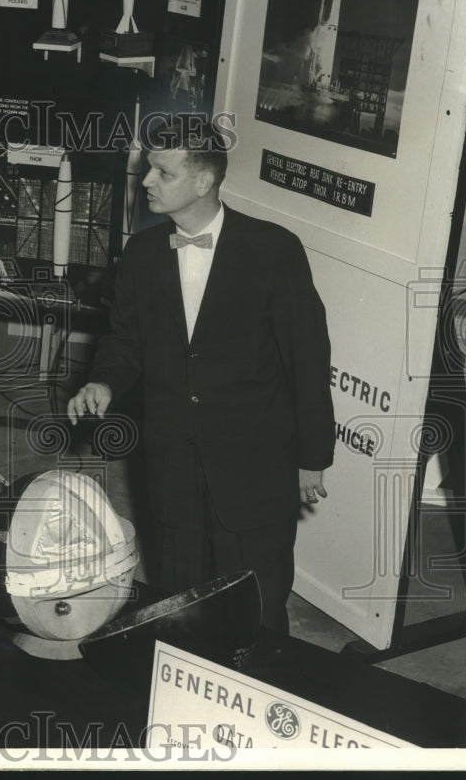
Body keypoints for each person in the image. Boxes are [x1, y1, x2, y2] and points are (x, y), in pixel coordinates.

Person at [67, 117, 335, 634]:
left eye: (162, 172)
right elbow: (124, 342)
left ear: (203, 181)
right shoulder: (141, 256)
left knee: (256, 603)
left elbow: (308, 359)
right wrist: (104, 381)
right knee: (178, 603)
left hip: (253, 466)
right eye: (149, 168)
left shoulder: (274, 250)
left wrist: (311, 458)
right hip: (171, 466)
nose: (146, 181)